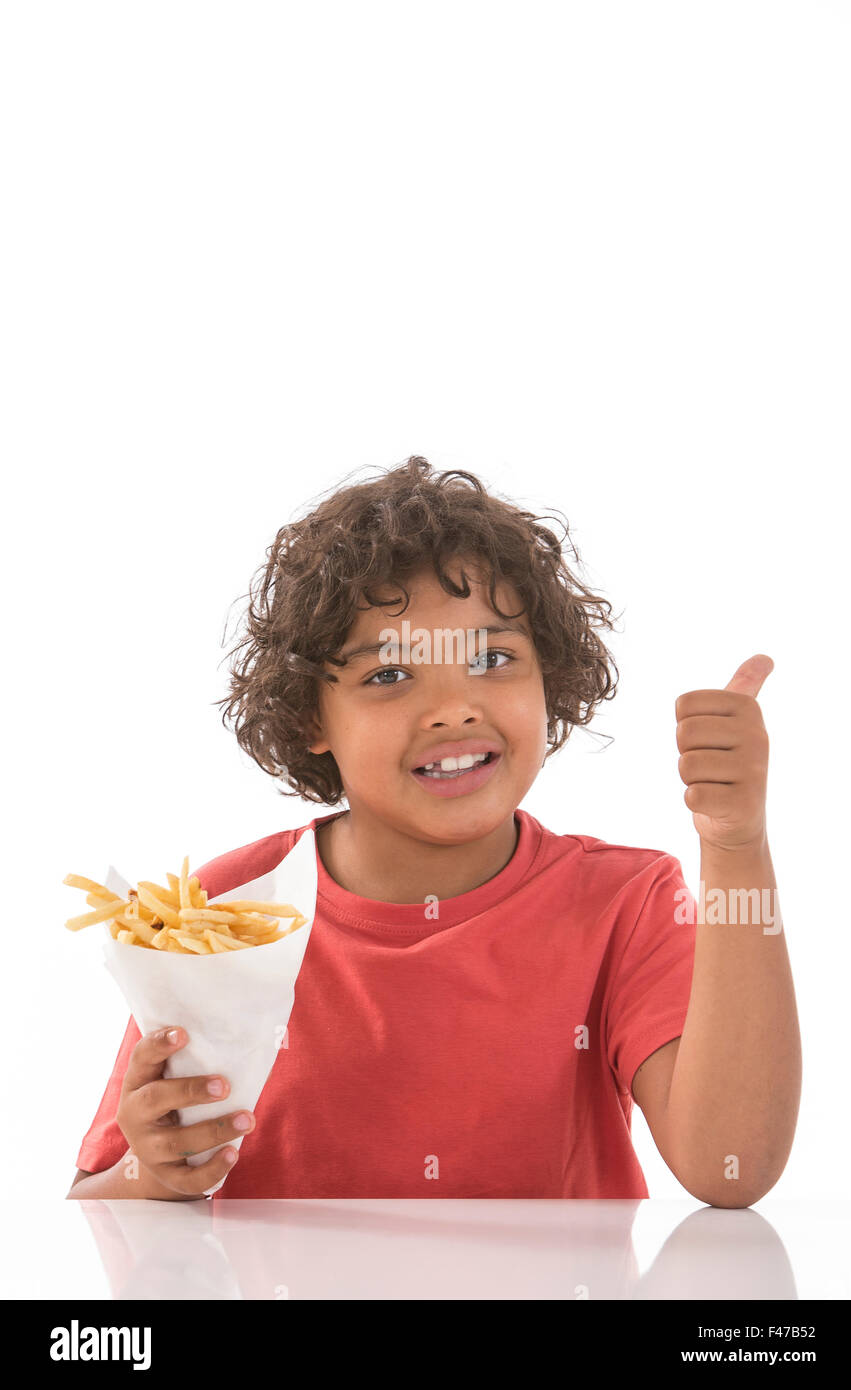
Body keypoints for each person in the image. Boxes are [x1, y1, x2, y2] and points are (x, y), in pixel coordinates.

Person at [67, 455, 800, 1203]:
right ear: (309, 716)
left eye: (492, 658)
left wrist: (735, 847)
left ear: (550, 678)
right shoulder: (220, 911)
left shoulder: (625, 901)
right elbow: (92, 1207)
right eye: (388, 674)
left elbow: (728, 1166)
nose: (454, 708)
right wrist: (148, 1173)